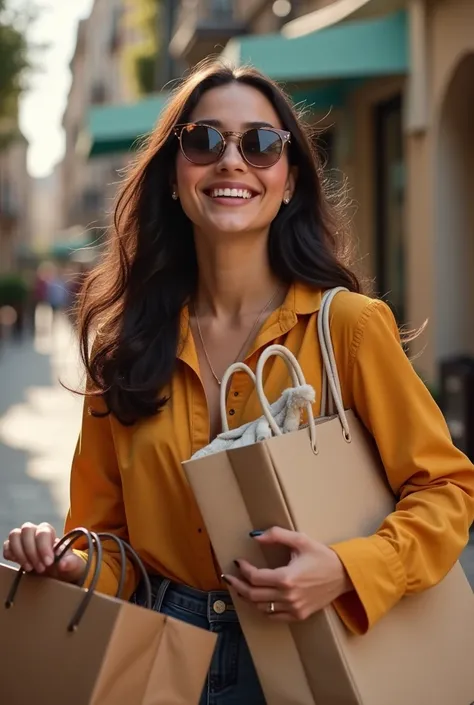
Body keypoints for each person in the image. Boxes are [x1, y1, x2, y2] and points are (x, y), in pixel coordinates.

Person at [3, 60, 474, 704]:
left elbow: (448, 489)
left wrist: (346, 570)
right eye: (203, 141)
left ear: (288, 182)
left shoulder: (349, 329)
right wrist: (71, 563)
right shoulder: (128, 348)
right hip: (161, 659)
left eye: (259, 144)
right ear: (174, 176)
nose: (231, 161)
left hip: (319, 646)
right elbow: (110, 539)